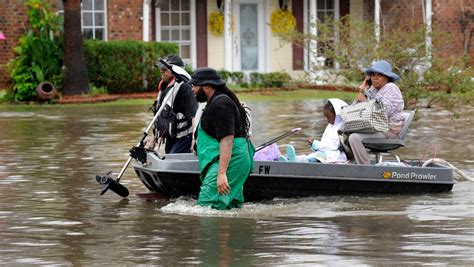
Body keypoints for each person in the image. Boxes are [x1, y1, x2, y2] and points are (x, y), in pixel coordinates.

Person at [190, 67, 254, 210]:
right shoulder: (214, 102)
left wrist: (222, 174)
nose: (192, 89)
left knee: (206, 207)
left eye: (194, 85)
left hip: (232, 161)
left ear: (206, 86)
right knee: (228, 208)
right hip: (229, 160)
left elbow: (227, 140)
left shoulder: (221, 104)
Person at [348, 60, 405, 165]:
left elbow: (382, 113)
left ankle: (365, 169)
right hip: (374, 127)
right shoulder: (373, 89)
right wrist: (362, 90)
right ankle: (349, 163)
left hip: (387, 131)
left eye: (379, 75)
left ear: (387, 77)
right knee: (344, 132)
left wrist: (364, 100)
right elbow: (352, 111)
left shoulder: (391, 88)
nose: (375, 77)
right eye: (372, 74)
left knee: (354, 137)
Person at [151, 54, 198, 153]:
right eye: (161, 69)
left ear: (176, 71)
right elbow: (159, 116)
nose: (161, 71)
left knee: (172, 161)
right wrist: (153, 140)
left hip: (184, 138)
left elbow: (194, 116)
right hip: (171, 139)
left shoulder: (184, 88)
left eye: (165, 69)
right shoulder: (164, 88)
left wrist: (195, 140)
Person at [285, 98, 348, 163]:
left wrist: (316, 144)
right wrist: (314, 145)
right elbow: (326, 142)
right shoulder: (331, 125)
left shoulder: (341, 127)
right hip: (326, 152)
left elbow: (332, 146)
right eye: (326, 117)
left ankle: (298, 161)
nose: (327, 120)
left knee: (315, 157)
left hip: (336, 155)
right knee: (313, 156)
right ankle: (293, 159)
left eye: (329, 117)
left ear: (337, 115)